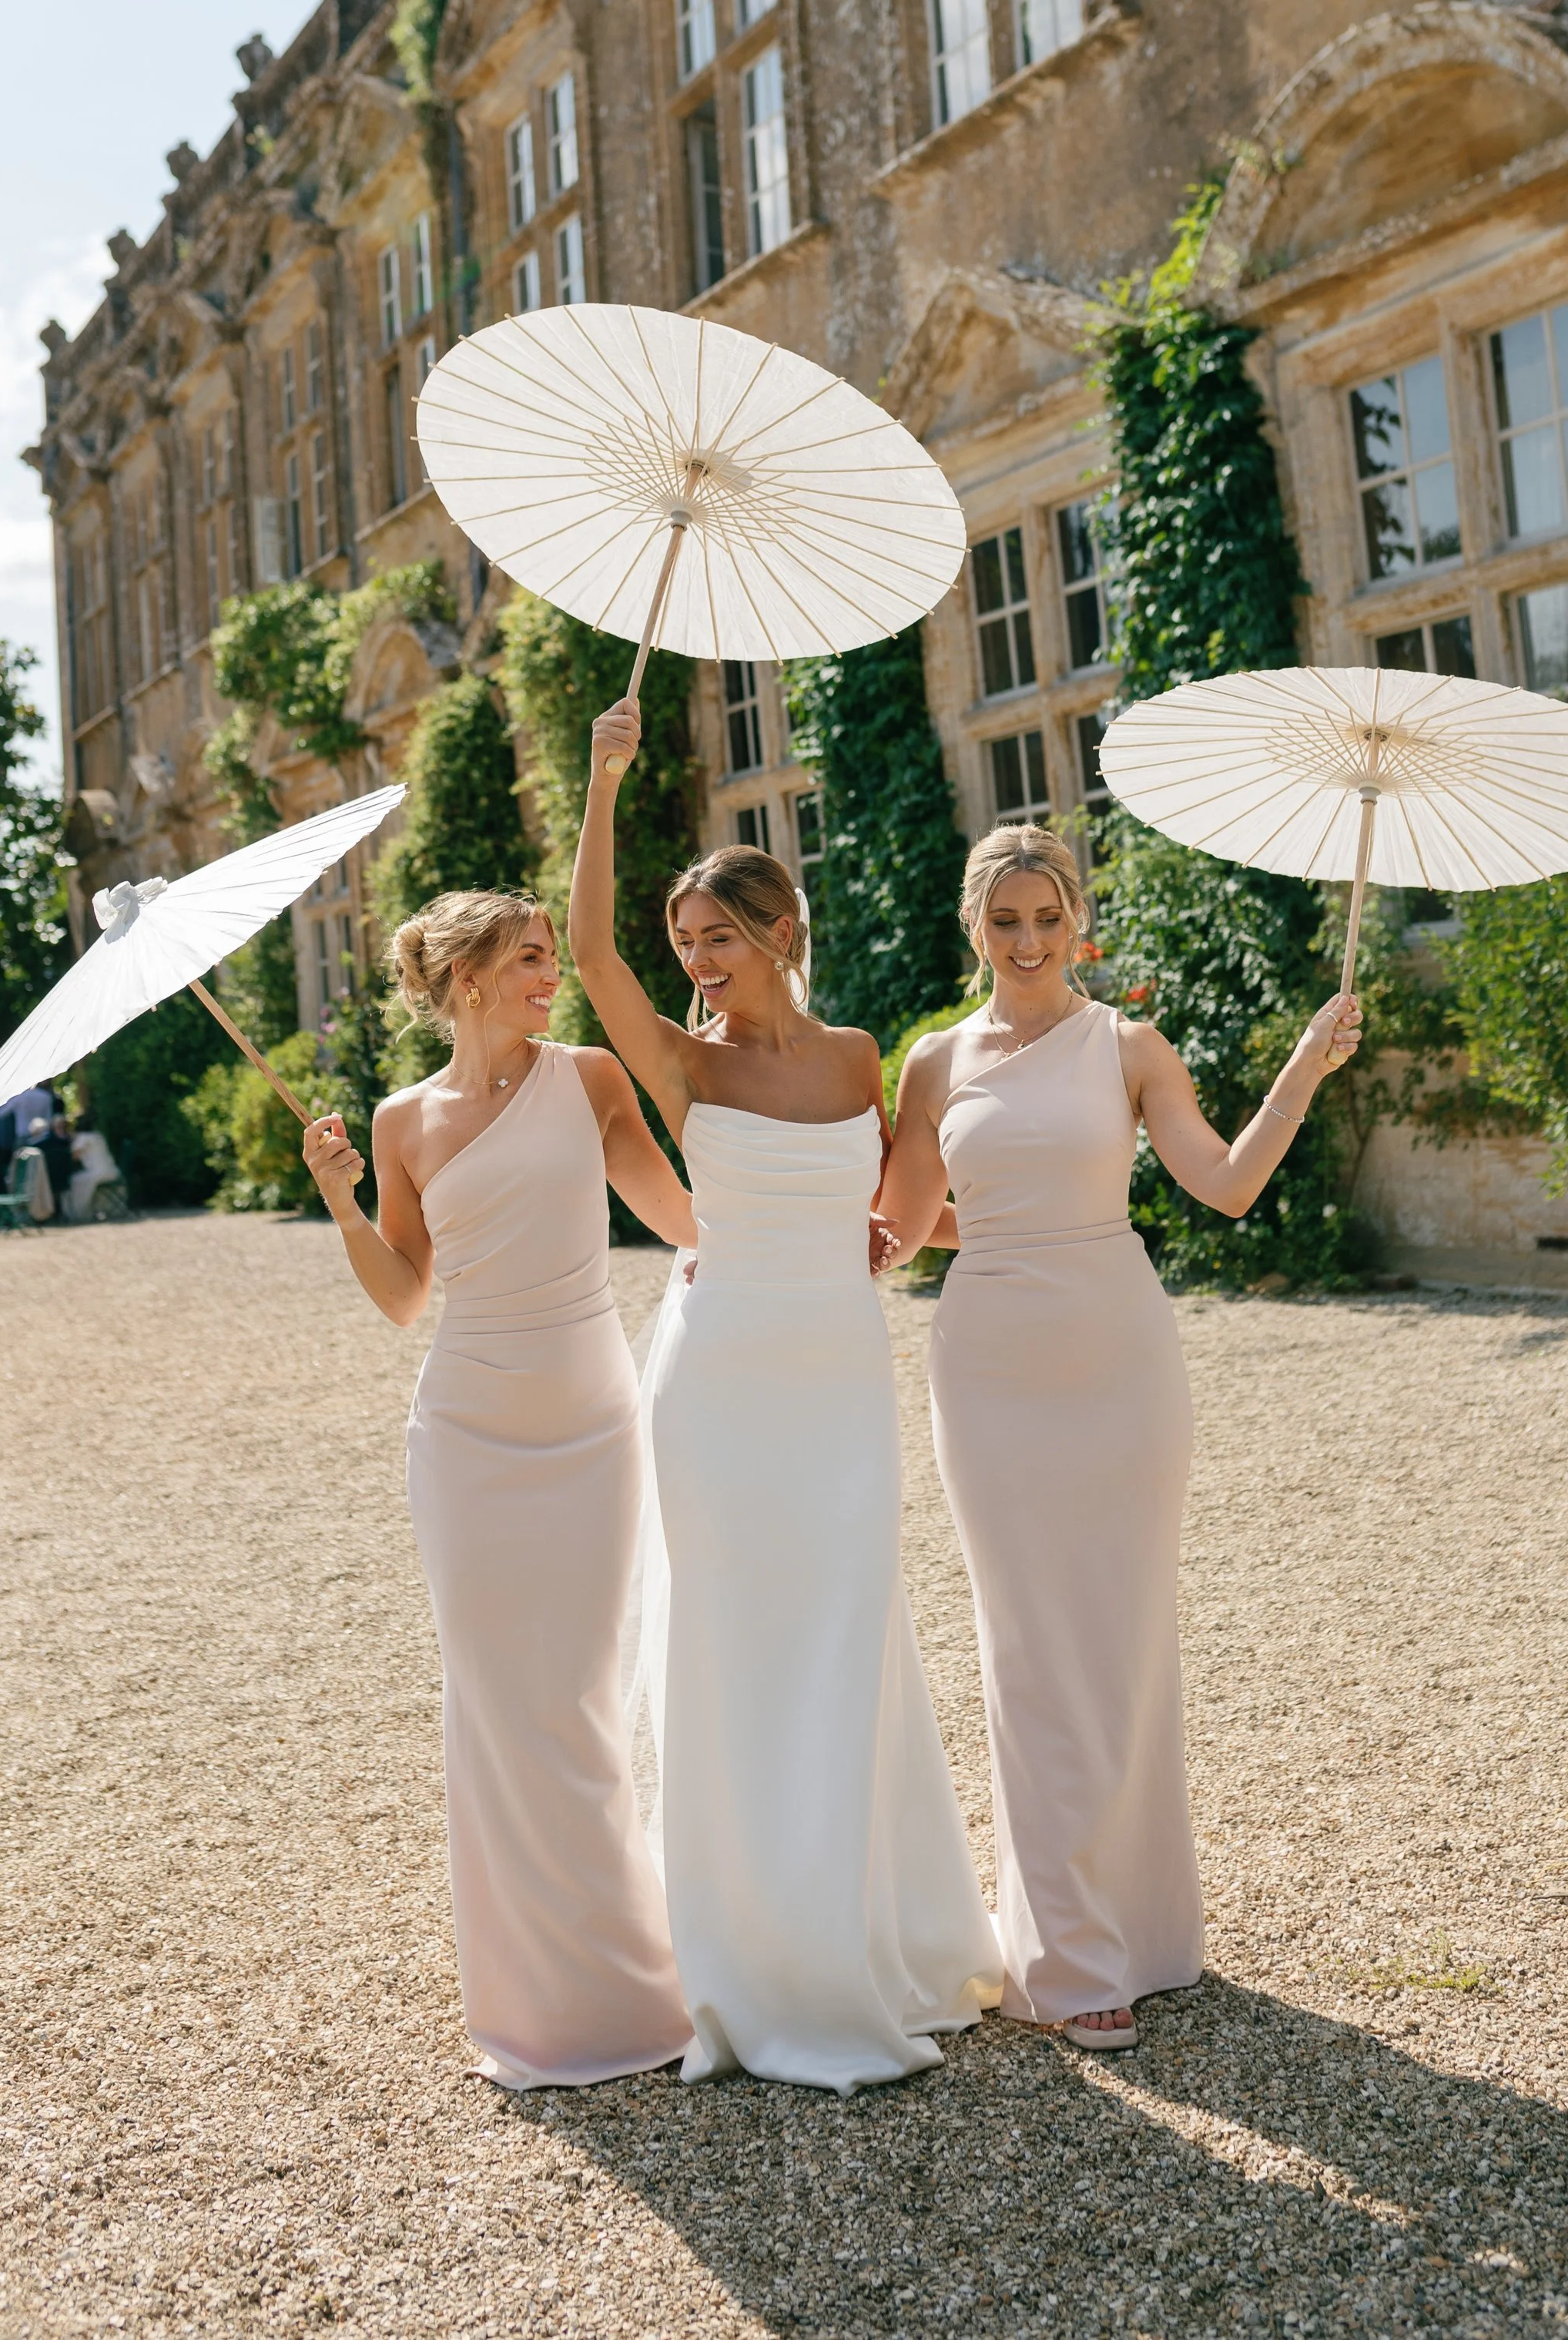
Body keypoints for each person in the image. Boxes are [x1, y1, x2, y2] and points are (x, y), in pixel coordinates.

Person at [568, 695, 1001, 2094]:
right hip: (723, 1377)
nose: (695, 956)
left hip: (838, 1379)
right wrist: (601, 784)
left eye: (717, 934)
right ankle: (746, 1952)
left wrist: (990, 1225)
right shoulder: (686, 1064)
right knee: (731, 1646)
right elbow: (586, 952)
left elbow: (892, 1208)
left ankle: (861, 1926)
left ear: (778, 935)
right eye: (685, 939)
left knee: (849, 1636)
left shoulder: (858, 1055)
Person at [877, 822, 1361, 2053]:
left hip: (1120, 1362)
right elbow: (909, 1223)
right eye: (1006, 921)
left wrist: (1303, 1063)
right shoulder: (933, 1063)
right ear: (973, 927)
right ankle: (1071, 1952)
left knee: (1126, 1638)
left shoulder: (1130, 1045)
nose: (1030, 942)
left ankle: (1141, 1932)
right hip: (988, 1368)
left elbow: (1229, 1182)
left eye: (1049, 918)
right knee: (1028, 1646)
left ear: (1079, 921)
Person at [300, 888, 695, 2089]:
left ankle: (627, 1990)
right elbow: (405, 1295)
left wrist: (806, 1225)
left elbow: (683, 1214)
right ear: (466, 977)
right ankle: (530, 2003)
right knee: (493, 1702)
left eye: (546, 956)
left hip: (588, 1426)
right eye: (528, 957)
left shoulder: (589, 1079)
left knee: (574, 1695)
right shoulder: (400, 1119)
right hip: (465, 1435)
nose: (550, 974)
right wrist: (339, 1195)